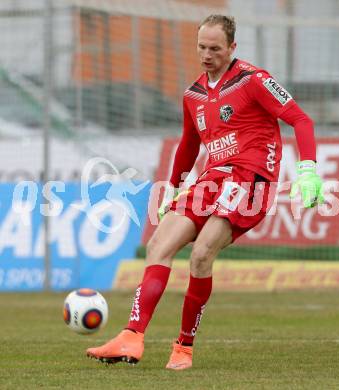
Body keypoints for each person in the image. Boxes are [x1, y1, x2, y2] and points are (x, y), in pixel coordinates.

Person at [86, 14, 324, 370]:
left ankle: (183, 347)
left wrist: (308, 171)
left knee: (200, 255)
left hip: (250, 178)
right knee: (159, 245)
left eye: (215, 48)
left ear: (232, 48)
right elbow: (188, 145)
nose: (207, 54)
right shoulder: (193, 94)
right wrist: (173, 186)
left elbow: (301, 120)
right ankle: (131, 337)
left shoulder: (254, 80)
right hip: (212, 179)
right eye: (201, 47)